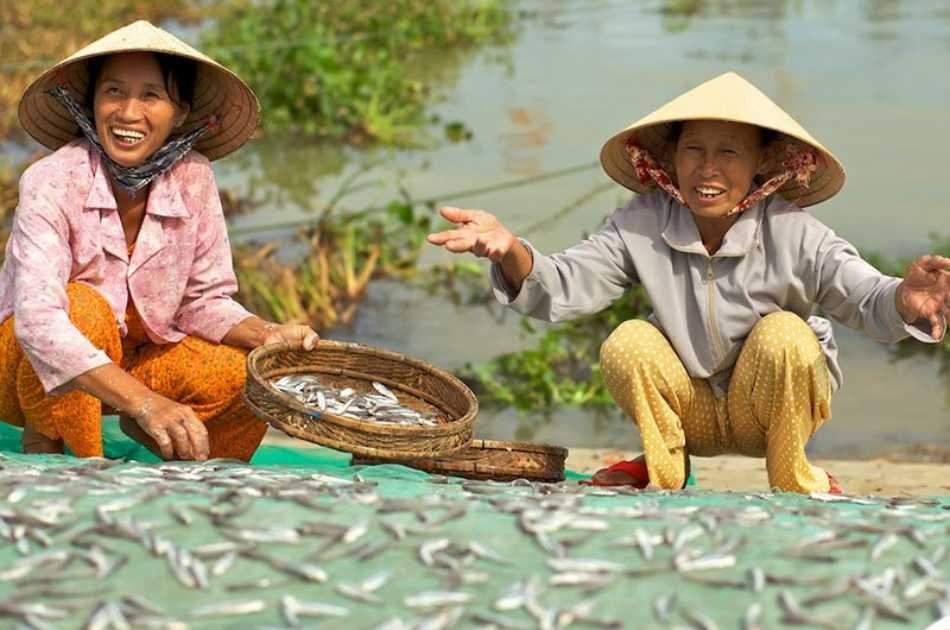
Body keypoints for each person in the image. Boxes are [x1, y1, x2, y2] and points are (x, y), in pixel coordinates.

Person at [427, 72, 949, 494]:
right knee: (628, 340)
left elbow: (864, 295)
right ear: (670, 160)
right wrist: (511, 248)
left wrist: (904, 298)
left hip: (770, 412)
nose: (708, 169)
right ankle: (665, 470)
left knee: (788, 334)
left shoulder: (795, 231)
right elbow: (563, 286)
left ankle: (798, 480)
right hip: (688, 411)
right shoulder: (641, 222)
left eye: (729, 153)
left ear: (763, 162)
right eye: (693, 150)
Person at [0, 20, 319, 461]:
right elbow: (38, 322)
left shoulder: (194, 178)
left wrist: (265, 333)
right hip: (27, 367)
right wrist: (144, 401)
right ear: (91, 103)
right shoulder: (52, 180)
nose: (129, 113)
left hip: (140, 359)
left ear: (181, 113)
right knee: (83, 308)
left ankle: (199, 464)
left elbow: (203, 300)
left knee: (242, 372)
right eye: (113, 92)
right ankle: (56, 447)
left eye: (151, 96)